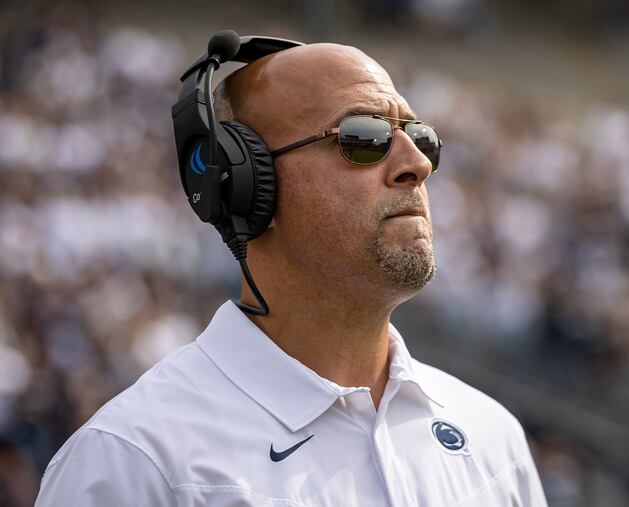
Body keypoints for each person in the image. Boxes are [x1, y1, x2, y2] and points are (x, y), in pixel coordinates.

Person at [34, 39, 547, 506]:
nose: (417, 164)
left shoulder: (492, 438)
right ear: (242, 184)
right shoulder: (134, 463)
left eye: (422, 138)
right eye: (363, 137)